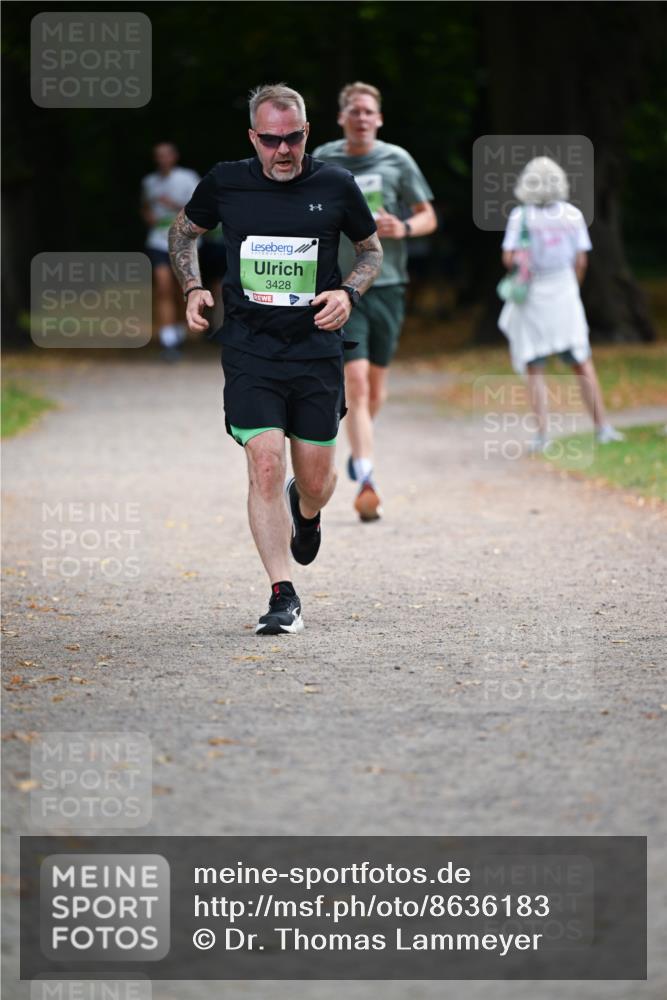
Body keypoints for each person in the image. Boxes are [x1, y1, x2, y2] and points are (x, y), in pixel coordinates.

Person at [168, 84, 382, 635]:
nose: (282, 150)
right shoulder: (226, 181)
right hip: (249, 347)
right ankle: (282, 594)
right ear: (253, 138)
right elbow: (183, 231)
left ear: (307, 133)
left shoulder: (336, 184)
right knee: (265, 460)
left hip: (315, 350)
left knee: (317, 481)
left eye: (292, 138)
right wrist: (192, 287)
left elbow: (370, 249)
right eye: (270, 140)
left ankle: (305, 512)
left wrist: (347, 294)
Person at [313, 82, 436, 521]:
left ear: (378, 119)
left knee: (376, 390)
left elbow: (428, 216)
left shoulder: (397, 160)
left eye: (369, 112)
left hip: (389, 283)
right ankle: (367, 475)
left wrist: (400, 227)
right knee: (358, 384)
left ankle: (359, 445)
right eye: (354, 111)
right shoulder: (324, 158)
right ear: (342, 117)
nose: (361, 118)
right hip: (342, 286)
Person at [498, 156, 625, 451]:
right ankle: (602, 426)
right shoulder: (572, 215)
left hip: (532, 295)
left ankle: (542, 434)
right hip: (565, 291)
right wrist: (572, 287)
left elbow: (508, 258)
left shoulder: (521, 216)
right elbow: (581, 260)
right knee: (581, 360)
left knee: (534, 365)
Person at [141, 142, 200, 359]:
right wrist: (148, 216)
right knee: (163, 286)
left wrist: (172, 204)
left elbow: (199, 209)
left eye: (166, 155)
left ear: (174, 156)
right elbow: (146, 207)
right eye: (158, 155)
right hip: (157, 241)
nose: (162, 159)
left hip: (184, 242)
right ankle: (168, 341)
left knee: (179, 290)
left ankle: (178, 330)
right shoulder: (149, 181)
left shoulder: (188, 177)